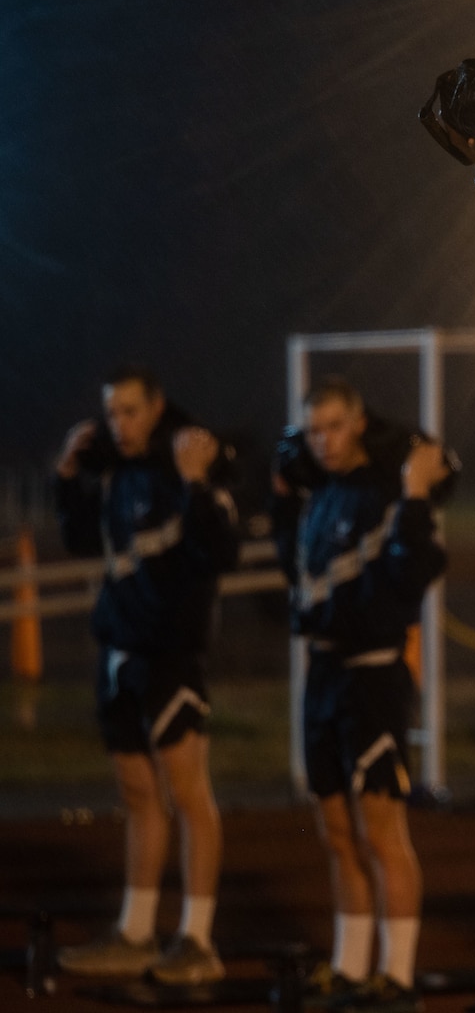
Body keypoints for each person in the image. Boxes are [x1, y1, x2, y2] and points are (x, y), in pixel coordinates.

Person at [53, 365, 239, 984]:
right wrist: (67, 478)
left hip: (171, 654)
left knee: (190, 795)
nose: (119, 424)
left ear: (157, 407)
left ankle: (197, 939)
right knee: (137, 794)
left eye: (130, 411)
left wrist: (194, 481)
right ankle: (135, 932)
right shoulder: (115, 472)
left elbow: (221, 552)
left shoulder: (186, 462)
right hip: (120, 650)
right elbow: (82, 541)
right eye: (112, 413)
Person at [270, 378, 448, 1011]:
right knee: (336, 830)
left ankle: (396, 980)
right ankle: (350, 968)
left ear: (360, 423)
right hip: (322, 675)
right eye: (314, 429)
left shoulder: (384, 491)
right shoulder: (318, 497)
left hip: (373, 675)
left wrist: (417, 490)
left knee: (381, 831)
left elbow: (417, 568)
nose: (324, 440)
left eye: (336, 426)